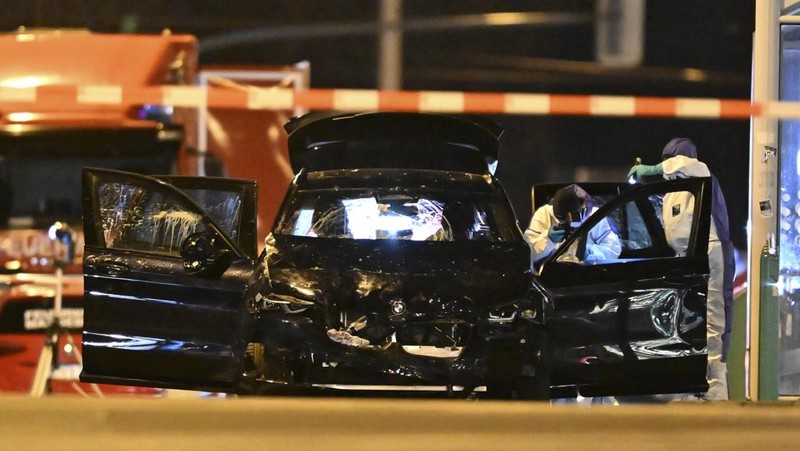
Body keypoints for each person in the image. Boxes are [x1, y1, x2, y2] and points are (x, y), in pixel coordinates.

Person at [628, 137, 735, 401]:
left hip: (712, 254)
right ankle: (694, 388)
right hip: (685, 262)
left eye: (668, 161)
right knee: (687, 325)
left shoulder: (701, 173)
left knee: (714, 323)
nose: (667, 167)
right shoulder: (670, 194)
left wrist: (651, 170)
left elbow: (686, 165)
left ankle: (717, 392)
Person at [523, 184, 621, 269]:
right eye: (562, 219)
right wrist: (548, 240)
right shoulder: (544, 214)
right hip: (552, 275)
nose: (568, 222)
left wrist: (589, 253)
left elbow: (613, 250)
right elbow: (527, 256)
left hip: (587, 274)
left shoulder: (595, 217)